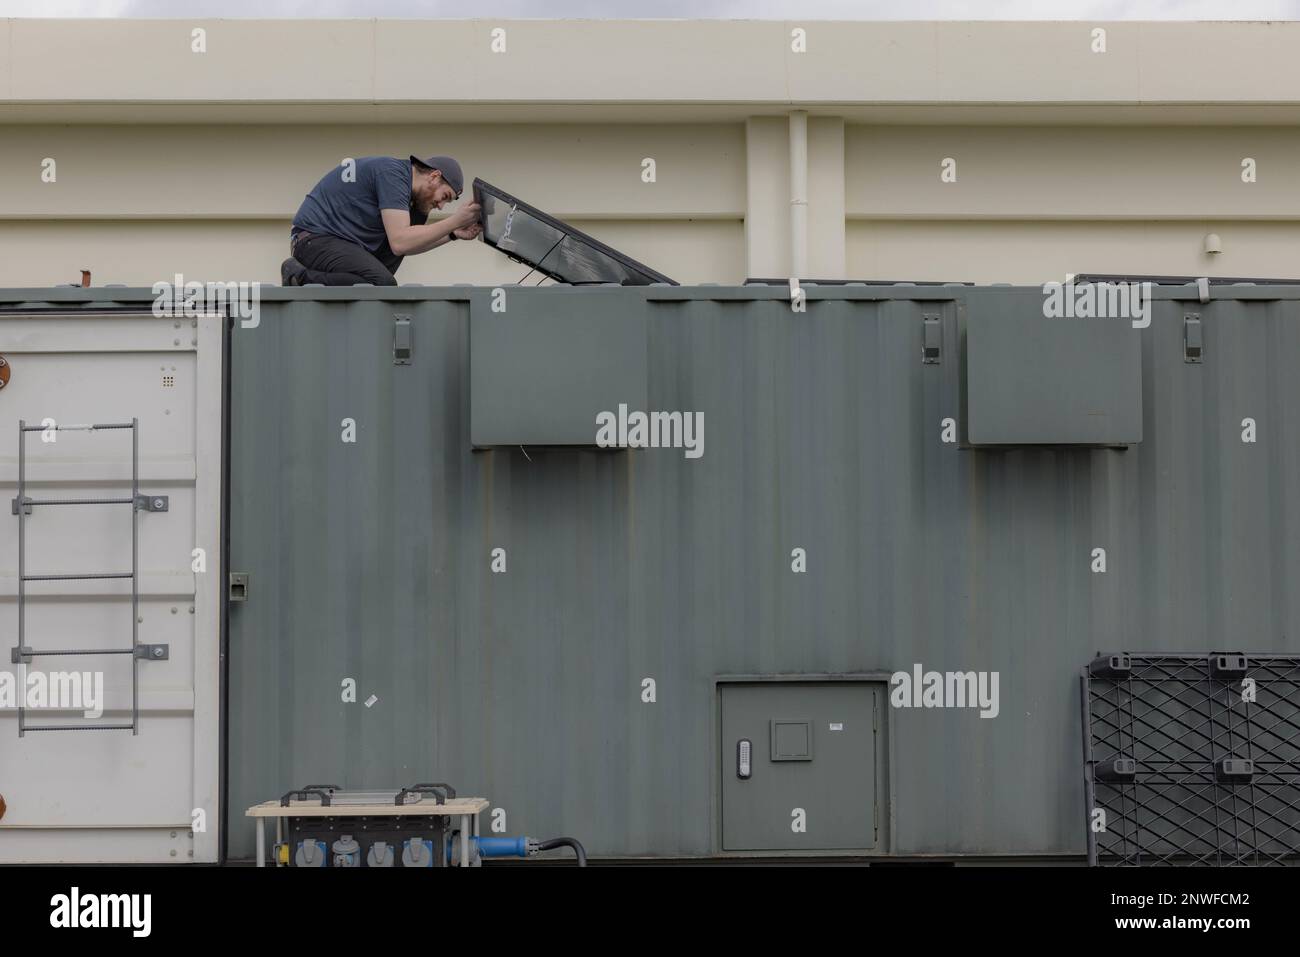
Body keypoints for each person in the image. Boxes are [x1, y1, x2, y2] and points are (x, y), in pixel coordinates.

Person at [281, 154, 481, 286]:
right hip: (313, 239)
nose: (441, 205)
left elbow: (407, 245)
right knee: (382, 283)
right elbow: (401, 240)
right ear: (434, 176)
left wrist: (453, 234)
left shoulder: (417, 202)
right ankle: (298, 277)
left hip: (344, 244)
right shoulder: (393, 174)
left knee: (381, 279)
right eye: (445, 196)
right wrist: (455, 220)